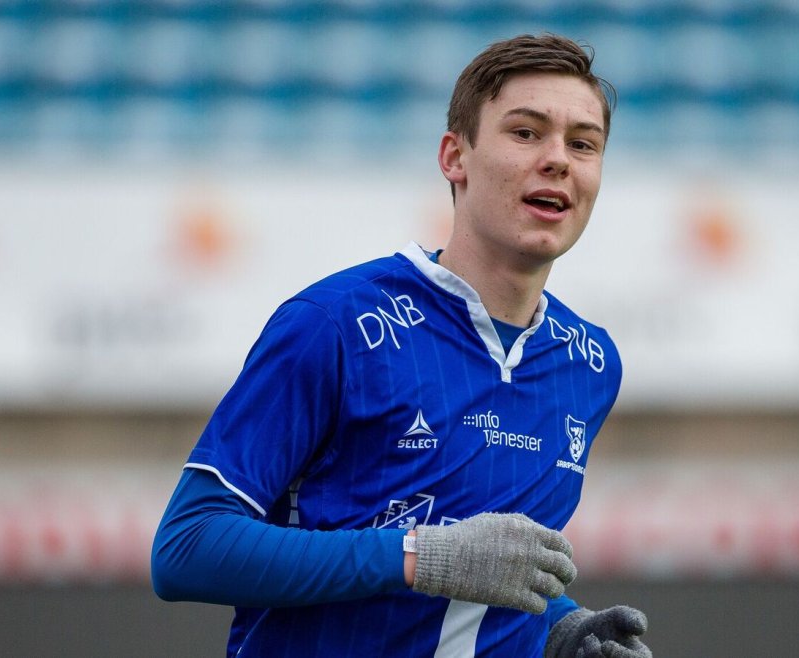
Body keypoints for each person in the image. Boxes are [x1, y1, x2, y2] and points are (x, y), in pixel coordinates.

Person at [151, 33, 652, 658]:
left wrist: (559, 627)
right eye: (526, 133)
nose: (558, 160)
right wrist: (419, 556)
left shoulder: (589, 363)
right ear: (455, 157)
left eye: (583, 144)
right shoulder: (334, 323)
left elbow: (479, 567)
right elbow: (187, 547)